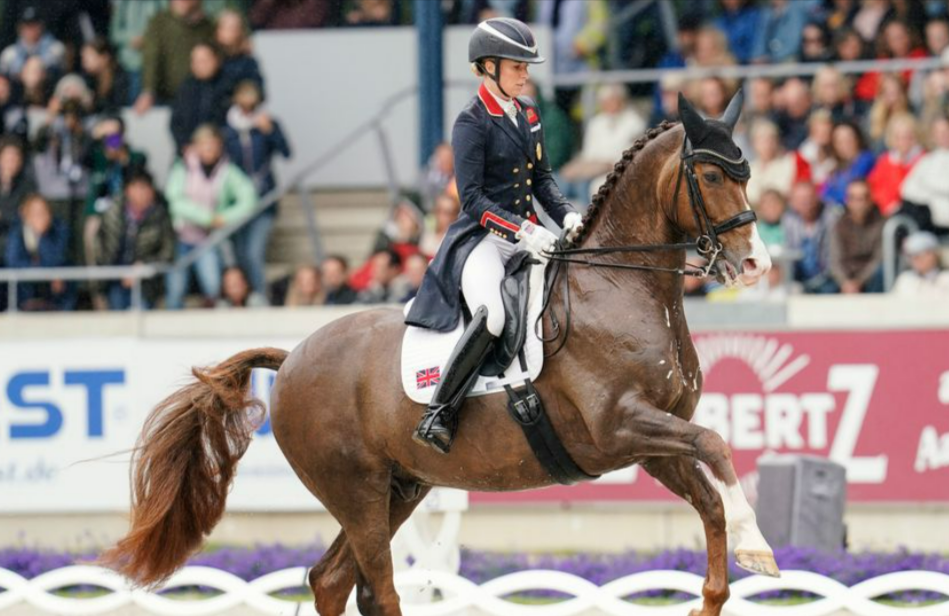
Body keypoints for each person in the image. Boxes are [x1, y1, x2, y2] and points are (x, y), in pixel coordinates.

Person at [405, 18, 583, 454]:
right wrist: (524, 230)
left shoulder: (529, 114)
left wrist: (569, 217)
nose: (525, 74)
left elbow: (543, 181)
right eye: (517, 66)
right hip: (483, 239)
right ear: (487, 67)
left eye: (526, 67)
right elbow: (473, 200)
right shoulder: (471, 122)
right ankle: (439, 413)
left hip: (529, 234)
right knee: (494, 315)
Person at [164, 124, 256, 309]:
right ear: (196, 146)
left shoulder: (227, 170)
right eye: (205, 145)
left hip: (207, 238)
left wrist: (223, 217)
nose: (210, 150)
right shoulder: (183, 168)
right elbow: (174, 199)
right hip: (181, 236)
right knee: (176, 287)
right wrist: (206, 218)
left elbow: (249, 198)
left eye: (213, 145)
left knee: (213, 284)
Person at [224, 79, 291, 295]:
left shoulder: (267, 123)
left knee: (254, 252)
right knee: (240, 253)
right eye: (243, 94)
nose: (248, 99)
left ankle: (262, 295)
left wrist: (271, 131)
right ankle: (245, 296)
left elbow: (287, 152)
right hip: (238, 201)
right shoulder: (227, 128)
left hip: (264, 199)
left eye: (251, 94)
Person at [94, 170, 174, 310]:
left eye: (145, 187)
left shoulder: (161, 216)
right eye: (136, 187)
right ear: (127, 190)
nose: (141, 192)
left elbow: (168, 253)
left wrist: (144, 266)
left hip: (147, 282)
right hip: (115, 279)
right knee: (118, 322)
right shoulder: (112, 214)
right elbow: (100, 246)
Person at [558, 83, 645, 202]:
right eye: (603, 101)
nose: (607, 105)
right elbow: (588, 154)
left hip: (617, 171)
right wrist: (574, 167)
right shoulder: (596, 122)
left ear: (621, 100)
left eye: (611, 101)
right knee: (559, 181)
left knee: (588, 186)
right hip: (592, 168)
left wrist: (598, 167)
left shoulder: (635, 123)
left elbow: (627, 158)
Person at [135, 0, 215, 113]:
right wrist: (148, 91)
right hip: (166, 95)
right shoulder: (159, 22)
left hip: (199, 94)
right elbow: (151, 59)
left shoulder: (207, 25)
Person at [4, 193, 73, 310]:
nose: (39, 217)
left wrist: (42, 236)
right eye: (34, 213)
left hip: (54, 297)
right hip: (24, 294)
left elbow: (56, 260)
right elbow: (12, 262)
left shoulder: (60, 230)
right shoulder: (17, 232)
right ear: (24, 214)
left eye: (42, 212)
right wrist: (39, 269)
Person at [782, 180, 840, 293]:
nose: (806, 202)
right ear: (793, 202)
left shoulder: (832, 218)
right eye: (801, 199)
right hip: (798, 279)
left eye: (809, 197)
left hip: (829, 279)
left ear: (817, 198)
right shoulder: (788, 221)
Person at [170, 42, 227, 154]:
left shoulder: (228, 86)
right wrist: (185, 145)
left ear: (216, 60)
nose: (200, 65)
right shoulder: (185, 88)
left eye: (204, 60)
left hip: (221, 151)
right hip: (189, 151)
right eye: (196, 61)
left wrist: (212, 145)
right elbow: (175, 124)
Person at [828, 180, 884, 294]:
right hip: (845, 278)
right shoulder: (839, 225)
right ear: (847, 201)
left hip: (870, 278)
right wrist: (845, 282)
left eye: (862, 198)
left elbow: (878, 259)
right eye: (853, 198)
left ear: (870, 200)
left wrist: (859, 282)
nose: (858, 203)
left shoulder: (881, 224)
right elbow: (835, 260)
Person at [866, 113, 923, 217]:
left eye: (907, 137)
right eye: (898, 137)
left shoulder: (924, 160)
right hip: (885, 212)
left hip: (915, 213)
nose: (903, 142)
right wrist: (886, 205)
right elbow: (874, 187)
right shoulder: (885, 161)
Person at [901, 115, 949, 235]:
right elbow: (907, 189)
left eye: (946, 130)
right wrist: (932, 197)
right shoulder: (928, 160)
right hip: (930, 224)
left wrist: (928, 186)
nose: (943, 135)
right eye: (938, 132)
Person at [746, 119, 811, 208]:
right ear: (754, 144)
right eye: (762, 140)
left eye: (771, 139)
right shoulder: (747, 169)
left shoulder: (792, 161)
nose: (767, 144)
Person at [821, 120, 875, 206]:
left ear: (857, 139)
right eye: (839, 141)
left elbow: (847, 192)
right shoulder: (836, 168)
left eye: (849, 139)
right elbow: (824, 194)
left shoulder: (866, 160)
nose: (845, 145)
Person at [0, 7, 65, 78]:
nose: (30, 29)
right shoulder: (9, 55)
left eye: (34, 24)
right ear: (20, 28)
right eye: (27, 25)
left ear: (41, 26)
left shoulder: (56, 49)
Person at [215, 10, 265, 102]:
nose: (231, 32)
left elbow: (258, 93)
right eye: (227, 27)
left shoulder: (248, 64)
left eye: (235, 28)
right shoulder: (212, 60)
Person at [0, 136, 36, 261]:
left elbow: (26, 212)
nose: (11, 162)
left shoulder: (27, 186)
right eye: (8, 158)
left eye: (15, 158)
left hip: (17, 235)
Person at [80, 37, 130, 114]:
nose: (84, 61)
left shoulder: (120, 78)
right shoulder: (89, 80)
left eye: (88, 56)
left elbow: (118, 107)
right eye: (83, 57)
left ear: (104, 58)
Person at [892, 231, 949, 297]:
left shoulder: (946, 278)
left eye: (922, 254)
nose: (917, 259)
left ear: (935, 254)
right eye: (912, 255)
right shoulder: (905, 280)